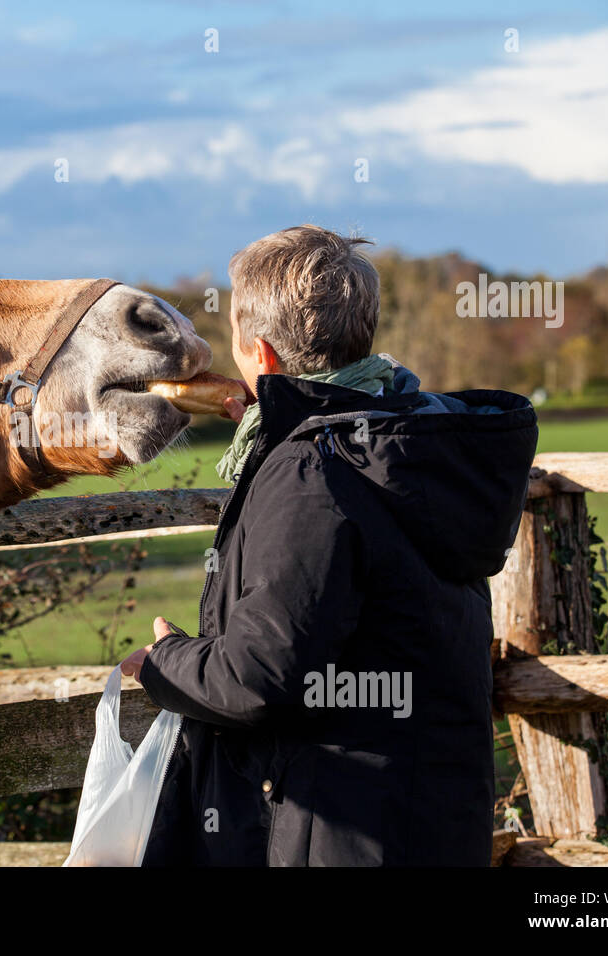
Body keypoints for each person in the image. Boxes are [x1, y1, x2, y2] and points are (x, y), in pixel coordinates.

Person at [121, 225, 538, 866]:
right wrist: (283, 420)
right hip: (434, 819)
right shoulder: (412, 438)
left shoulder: (313, 469)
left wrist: (164, 662)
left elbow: (261, 677)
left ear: (258, 351)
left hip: (340, 833)